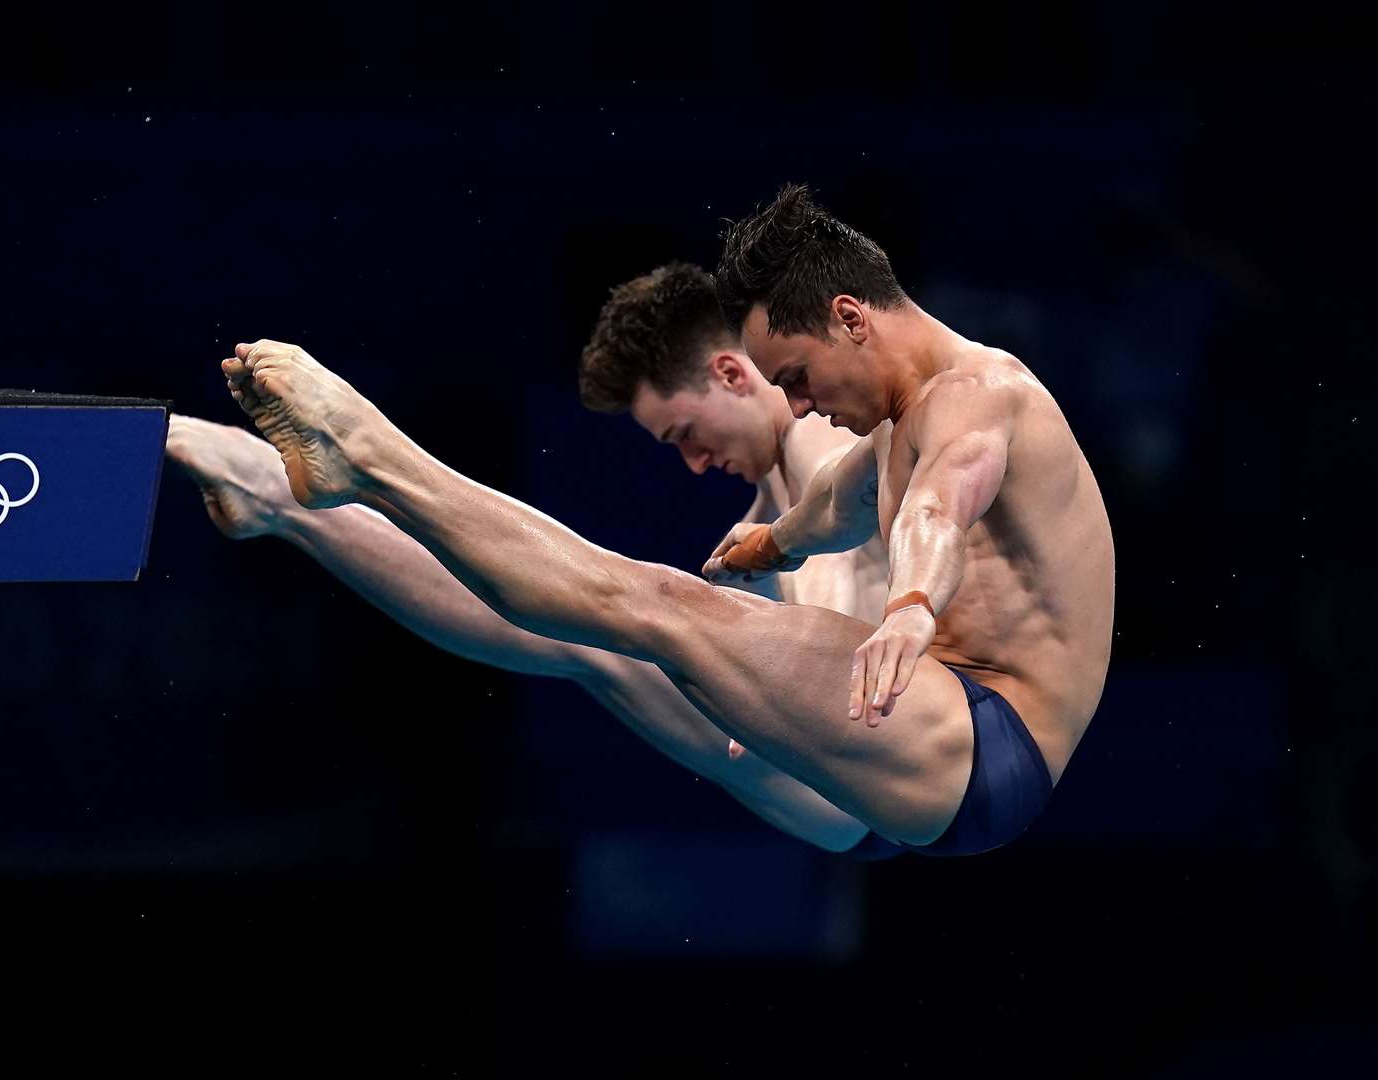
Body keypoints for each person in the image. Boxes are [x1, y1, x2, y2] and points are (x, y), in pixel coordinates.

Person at [215, 186, 1113, 856]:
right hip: (921, 753)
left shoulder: (976, 397)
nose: (795, 404)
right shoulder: (889, 425)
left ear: (849, 319)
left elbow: (938, 504)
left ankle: (369, 457)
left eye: (795, 375)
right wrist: (770, 545)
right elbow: (835, 511)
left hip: (981, 739)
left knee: (637, 610)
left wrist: (911, 603)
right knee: (604, 629)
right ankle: (298, 491)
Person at [169, 263, 889, 852]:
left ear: (732, 374)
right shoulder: (765, 513)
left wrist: (812, 709)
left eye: (683, 433)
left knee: (600, 624)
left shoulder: (814, 442)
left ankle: (294, 486)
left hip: (866, 770)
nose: (696, 463)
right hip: (851, 792)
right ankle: (286, 502)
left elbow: (842, 567)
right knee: (581, 626)